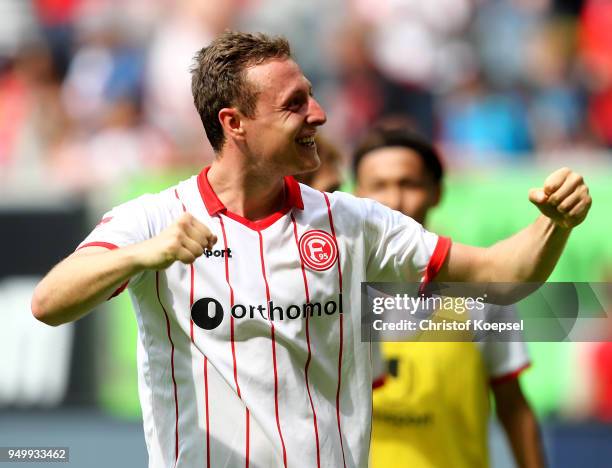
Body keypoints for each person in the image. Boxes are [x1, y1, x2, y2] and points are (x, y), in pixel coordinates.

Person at [31, 31, 591, 468]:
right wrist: (142, 255)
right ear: (236, 123)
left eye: (313, 96)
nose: (319, 114)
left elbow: (499, 275)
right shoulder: (153, 219)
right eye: (295, 104)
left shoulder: (352, 221)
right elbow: (49, 303)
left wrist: (555, 225)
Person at [353, 122, 546, 468]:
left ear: (436, 192)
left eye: (408, 184)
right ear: (356, 195)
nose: (394, 200)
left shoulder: (481, 291)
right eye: (379, 186)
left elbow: (513, 406)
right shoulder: (336, 287)